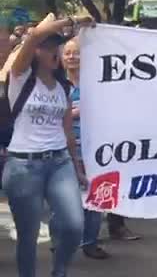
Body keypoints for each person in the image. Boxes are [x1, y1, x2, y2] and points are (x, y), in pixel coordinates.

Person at [2, 13, 91, 277]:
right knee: (27, 237)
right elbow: (34, 37)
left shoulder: (62, 87)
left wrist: (77, 168)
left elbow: (67, 133)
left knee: (75, 225)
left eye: (58, 46)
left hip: (59, 163)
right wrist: (72, 20)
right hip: (23, 166)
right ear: (36, 52)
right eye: (49, 47)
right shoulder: (20, 78)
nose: (56, 51)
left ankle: (59, 271)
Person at [63, 38, 109, 259]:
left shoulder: (97, 83)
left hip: (94, 151)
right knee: (63, 197)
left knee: (95, 196)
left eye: (76, 53)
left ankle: (90, 241)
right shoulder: (56, 83)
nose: (72, 57)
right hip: (64, 150)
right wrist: (69, 115)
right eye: (68, 53)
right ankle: (62, 241)